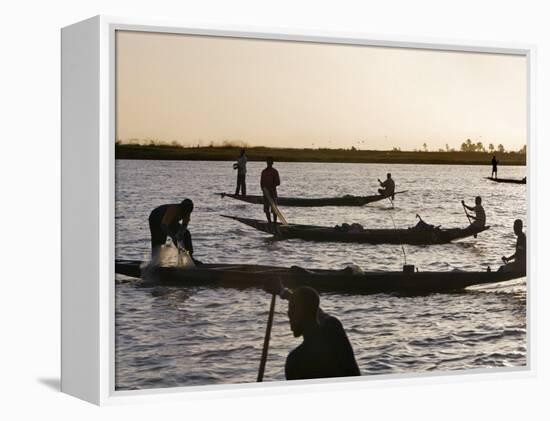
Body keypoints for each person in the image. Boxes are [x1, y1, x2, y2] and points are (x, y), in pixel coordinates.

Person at [265, 282, 360, 380]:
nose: (289, 317)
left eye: (290, 313)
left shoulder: (295, 360)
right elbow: (312, 308)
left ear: (297, 314)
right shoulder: (334, 328)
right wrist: (282, 291)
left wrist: (283, 292)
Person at [148, 199, 201, 264]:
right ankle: (155, 262)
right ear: (182, 208)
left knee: (186, 234)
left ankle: (189, 258)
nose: (187, 214)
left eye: (189, 212)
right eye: (185, 212)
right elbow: (163, 226)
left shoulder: (187, 211)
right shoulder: (173, 210)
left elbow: (184, 225)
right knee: (160, 240)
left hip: (170, 221)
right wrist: (173, 236)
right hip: (156, 219)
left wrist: (180, 233)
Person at [260, 157, 280, 226]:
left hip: (273, 193)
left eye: (270, 162)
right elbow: (261, 183)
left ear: (272, 163)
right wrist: (263, 190)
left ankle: (274, 222)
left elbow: (278, 182)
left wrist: (272, 186)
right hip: (266, 194)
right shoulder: (264, 171)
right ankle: (269, 222)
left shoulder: (275, 171)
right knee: (266, 209)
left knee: (274, 210)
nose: (269, 163)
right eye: (268, 162)